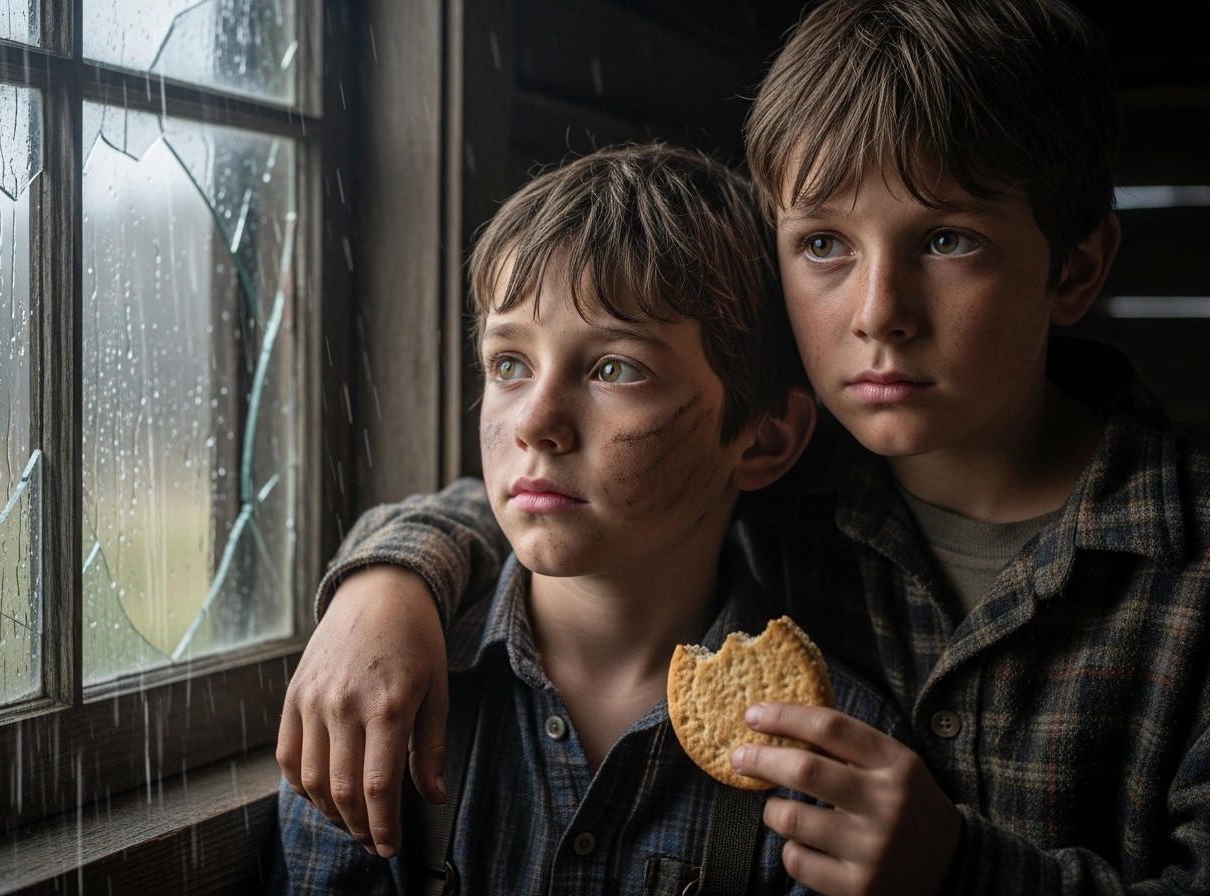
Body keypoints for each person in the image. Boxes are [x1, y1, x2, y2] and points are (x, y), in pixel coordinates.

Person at [278, 0, 1210, 893]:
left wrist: (963, 872)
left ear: (1076, 266)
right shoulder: (775, 477)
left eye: (949, 239)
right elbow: (560, 491)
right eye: (822, 245)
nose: (880, 312)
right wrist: (386, 584)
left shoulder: (1190, 573)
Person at [274, 144, 924, 894]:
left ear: (765, 437)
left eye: (616, 368)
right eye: (509, 364)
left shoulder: (834, 769)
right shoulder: (375, 693)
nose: (537, 423)